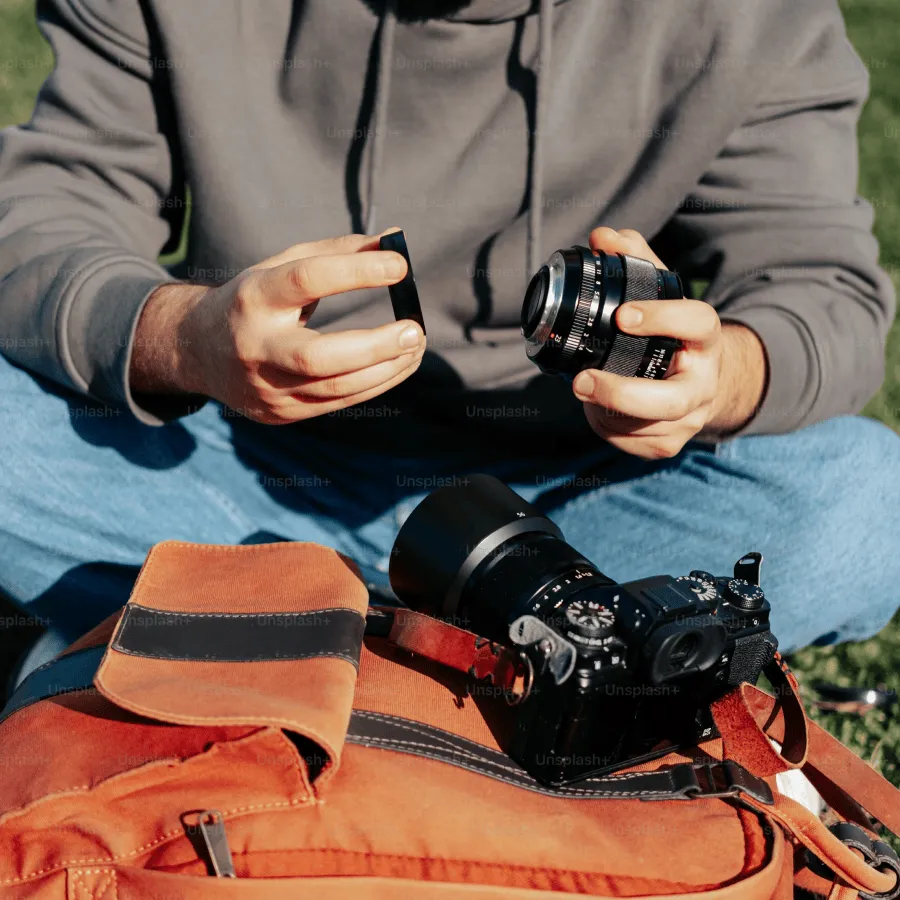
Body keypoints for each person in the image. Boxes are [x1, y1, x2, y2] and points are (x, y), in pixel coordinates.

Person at [0, 0, 898, 665]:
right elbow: (47, 215)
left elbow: (818, 282)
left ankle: (225, 632)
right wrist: (186, 336)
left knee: (867, 503)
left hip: (573, 512)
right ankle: (496, 665)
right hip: (227, 467)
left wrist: (720, 377)